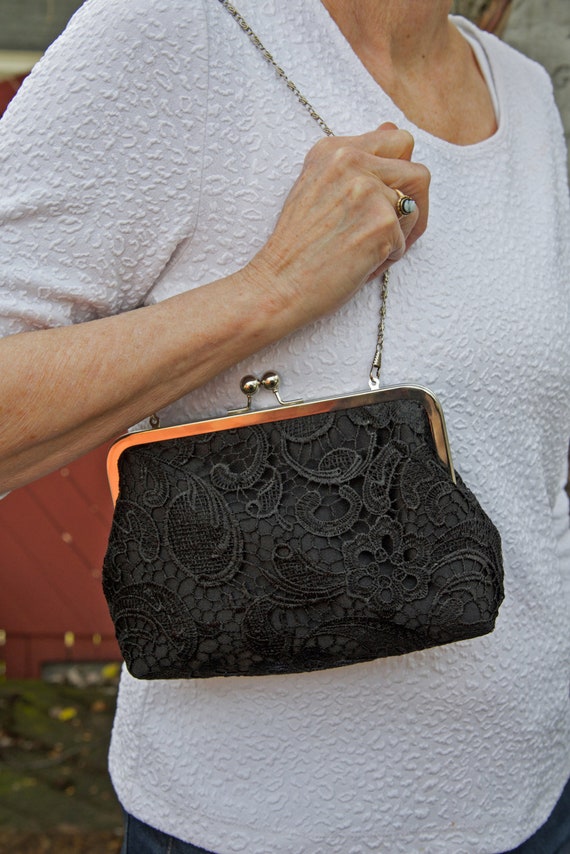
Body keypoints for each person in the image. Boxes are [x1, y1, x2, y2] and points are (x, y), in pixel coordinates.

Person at [0, 0, 569, 851]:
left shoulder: (522, 89)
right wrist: (271, 290)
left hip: (532, 798)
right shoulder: (173, 32)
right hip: (247, 825)